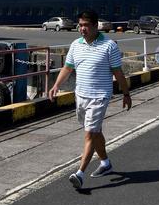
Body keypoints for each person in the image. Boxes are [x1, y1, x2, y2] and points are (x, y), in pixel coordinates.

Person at [49, 10, 132, 189]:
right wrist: (56, 85)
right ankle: (106, 163)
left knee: (89, 134)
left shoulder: (109, 46)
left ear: (95, 26)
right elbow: (68, 68)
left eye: (86, 25)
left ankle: (80, 174)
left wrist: (126, 94)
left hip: (100, 96)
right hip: (81, 95)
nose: (82, 29)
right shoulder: (76, 45)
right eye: (80, 25)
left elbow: (118, 73)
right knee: (94, 132)